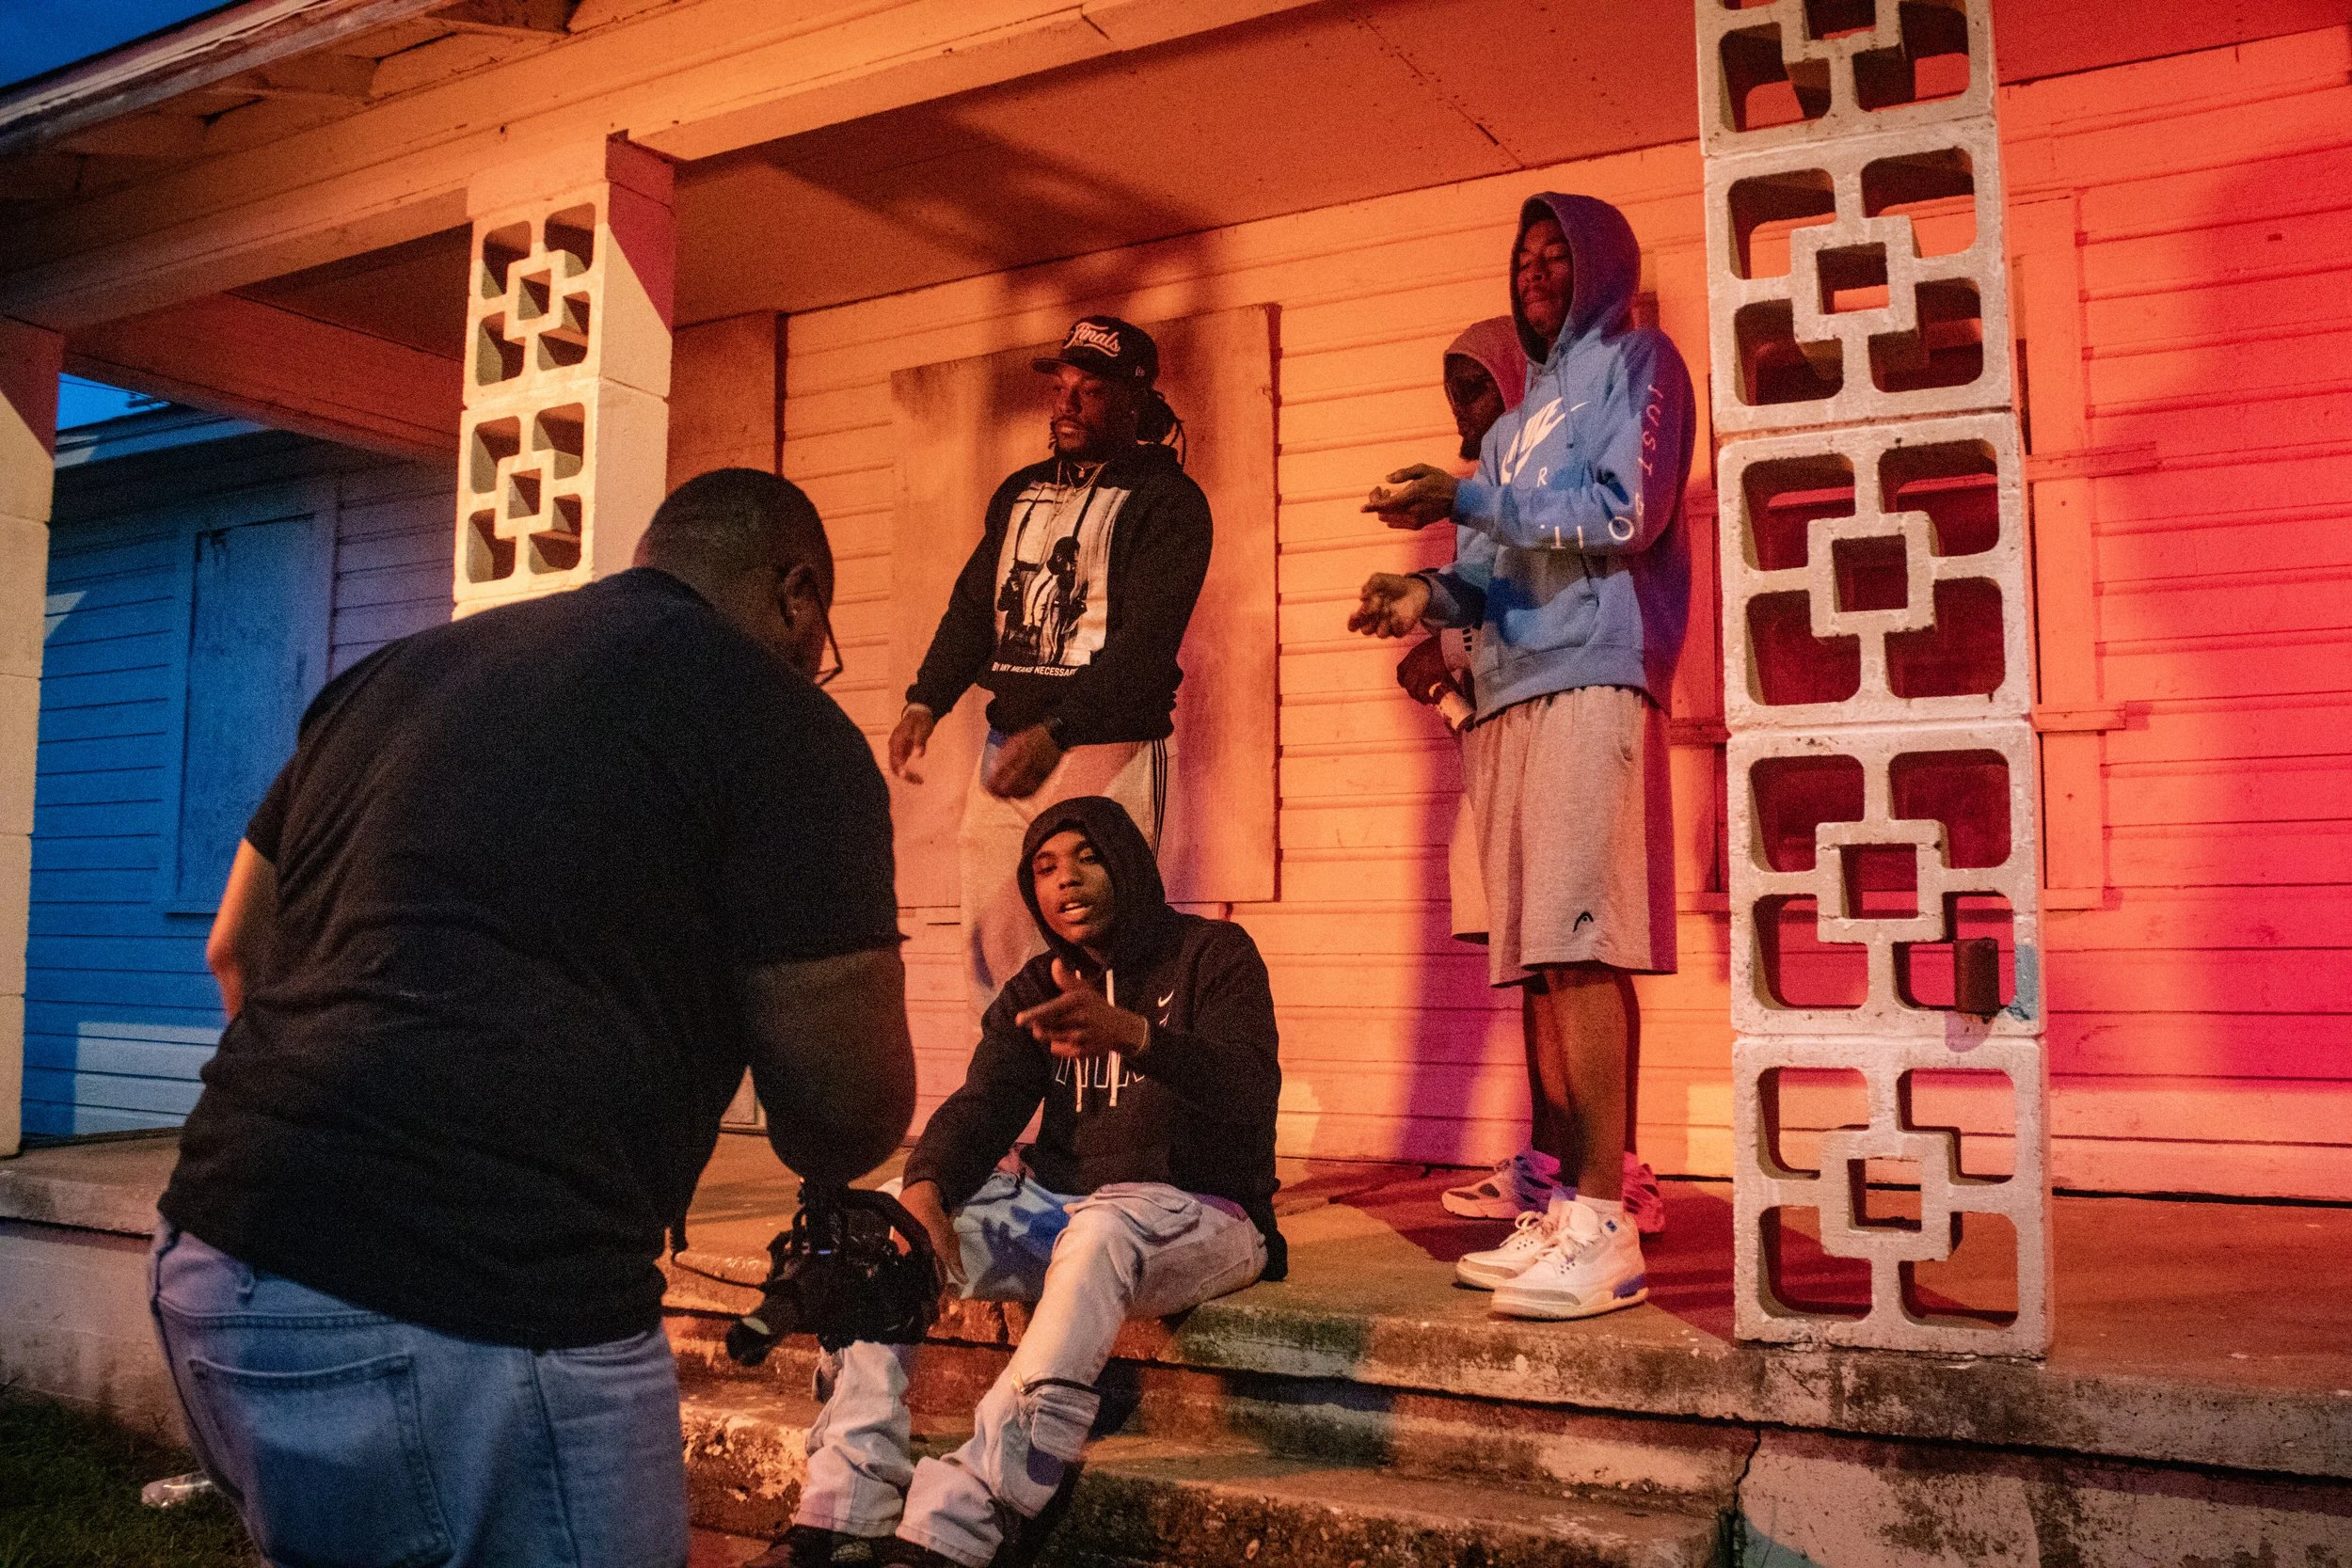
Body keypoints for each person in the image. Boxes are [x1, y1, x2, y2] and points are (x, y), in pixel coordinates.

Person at [151, 469, 917, 1567]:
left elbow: (237, 944)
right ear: (797, 596)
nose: (811, 665)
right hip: (484, 1298)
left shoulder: (400, 670)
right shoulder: (780, 720)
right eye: (816, 642)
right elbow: (844, 1112)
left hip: (218, 1253)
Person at [775, 796, 1282, 1568]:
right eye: (1044, 867)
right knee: (881, 1228)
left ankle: (975, 1509)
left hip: (1206, 1210)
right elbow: (985, 1103)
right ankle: (846, 1502)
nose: (1065, 879)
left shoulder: (1213, 953)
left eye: (1087, 857)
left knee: (1103, 1228)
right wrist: (925, 1189)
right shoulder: (1037, 983)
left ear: (1128, 863)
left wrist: (1136, 1036)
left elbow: (1249, 1087)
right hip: (1066, 1208)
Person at [1351, 195, 1694, 1322]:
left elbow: (1628, 511)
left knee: (1584, 941)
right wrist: (1422, 592)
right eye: (1524, 258)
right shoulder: (1510, 430)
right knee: (1543, 955)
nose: (1537, 272)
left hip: (1593, 666)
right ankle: (1559, 1207)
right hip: (1508, 692)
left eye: (1557, 255)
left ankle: (1604, 1217)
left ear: (1601, 267)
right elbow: (1486, 574)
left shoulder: (1638, 363)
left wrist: (1468, 495)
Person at [1396, 318, 1667, 1240]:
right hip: (1497, 732)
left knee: (1580, 945)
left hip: (1576, 708)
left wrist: (1452, 648)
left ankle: (1614, 1174)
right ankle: (1557, 1166)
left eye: (1476, 384)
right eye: (1452, 387)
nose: (1461, 406)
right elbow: (1481, 600)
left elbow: (1579, 576)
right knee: (1534, 959)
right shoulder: (1486, 497)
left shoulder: (1556, 480)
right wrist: (1427, 620)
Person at [889, 316, 1211, 1015]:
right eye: (1060, 387)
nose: (1066, 404)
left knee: (1107, 941)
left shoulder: (1170, 502)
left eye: (1088, 390)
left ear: (1134, 400)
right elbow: (975, 606)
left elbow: (1147, 643)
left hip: (1110, 746)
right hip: (1011, 744)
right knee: (994, 940)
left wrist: (1059, 729)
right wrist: (925, 700)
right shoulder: (1020, 490)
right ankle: (1007, 1081)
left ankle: (1107, 1088)